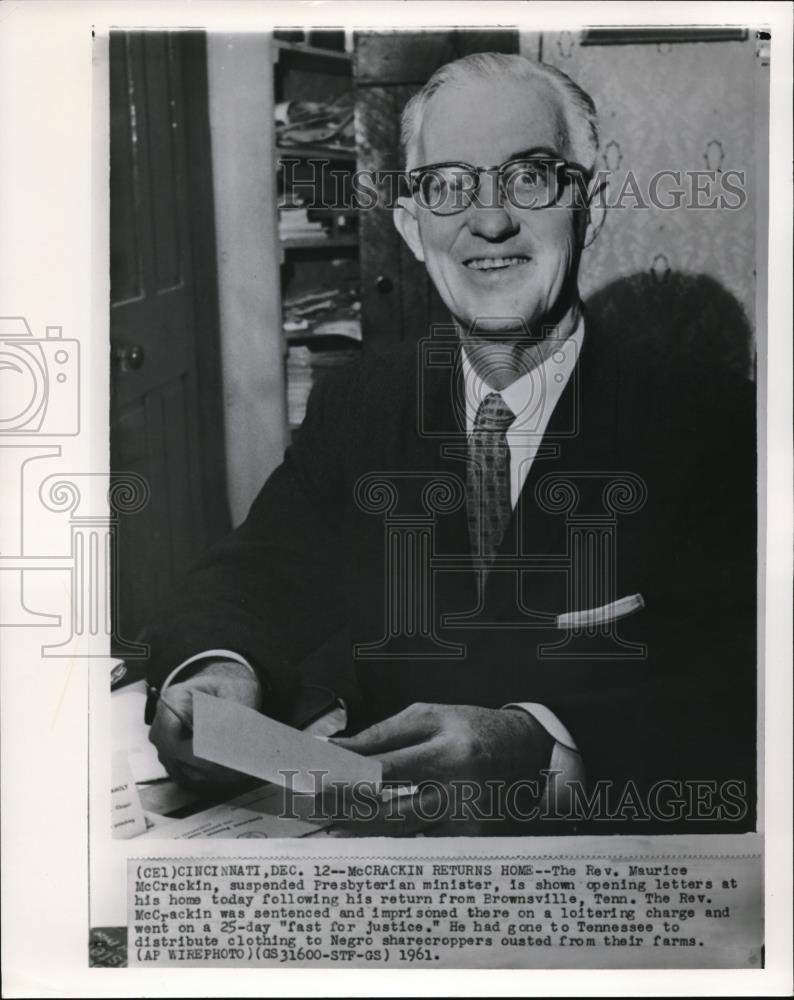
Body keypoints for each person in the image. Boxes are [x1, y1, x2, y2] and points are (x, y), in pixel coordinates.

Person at [142, 53, 756, 834]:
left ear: (588, 208)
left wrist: (540, 741)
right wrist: (216, 670)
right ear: (410, 226)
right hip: (385, 860)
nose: (488, 220)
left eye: (529, 178)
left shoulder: (709, 421)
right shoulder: (360, 403)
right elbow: (255, 574)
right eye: (447, 186)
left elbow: (744, 681)